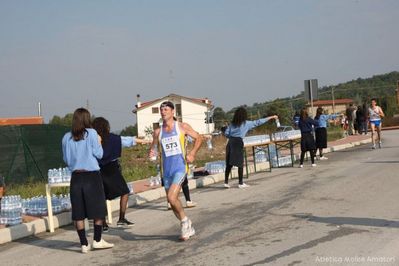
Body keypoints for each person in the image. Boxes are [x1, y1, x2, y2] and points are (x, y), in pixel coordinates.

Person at [62, 108, 113, 253]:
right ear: (86, 119)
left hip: (76, 177)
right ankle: (97, 240)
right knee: (98, 210)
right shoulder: (91, 134)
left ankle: (84, 244)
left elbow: (66, 159)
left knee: (78, 212)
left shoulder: (66, 137)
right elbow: (99, 154)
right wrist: (99, 141)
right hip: (92, 176)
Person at [149, 101, 203, 241]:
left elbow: (199, 138)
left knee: (172, 198)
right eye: (161, 110)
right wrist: (152, 153)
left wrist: (192, 153)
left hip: (180, 167)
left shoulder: (182, 127)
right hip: (166, 171)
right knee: (172, 202)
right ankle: (186, 224)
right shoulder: (158, 132)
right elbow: (153, 148)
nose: (163, 112)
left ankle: (185, 222)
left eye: (166, 109)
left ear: (173, 112)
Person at [92, 117, 150, 232]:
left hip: (97, 170)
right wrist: (146, 141)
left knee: (101, 196)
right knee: (124, 191)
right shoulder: (114, 138)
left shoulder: (92, 140)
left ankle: (103, 223)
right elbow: (129, 140)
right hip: (112, 169)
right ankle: (121, 218)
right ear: (106, 127)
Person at [223, 107, 278, 188]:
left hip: (230, 142)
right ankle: (240, 183)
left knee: (229, 162)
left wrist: (231, 136)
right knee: (240, 163)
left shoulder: (232, 124)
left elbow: (226, 133)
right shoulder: (246, 123)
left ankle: (226, 182)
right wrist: (271, 117)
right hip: (238, 142)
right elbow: (258, 122)